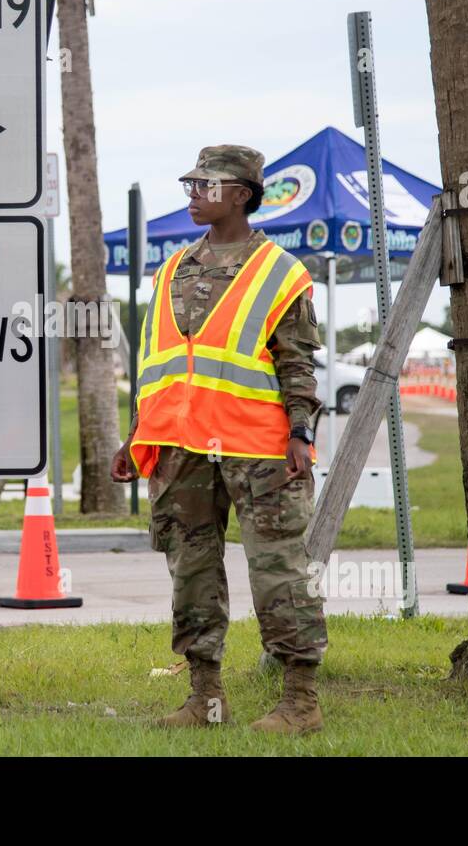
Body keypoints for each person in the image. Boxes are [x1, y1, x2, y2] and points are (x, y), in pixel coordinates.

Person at [111, 144, 328, 734]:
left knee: (279, 570)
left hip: (258, 448)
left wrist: (301, 435)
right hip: (180, 450)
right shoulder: (172, 268)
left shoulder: (281, 273)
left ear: (241, 195)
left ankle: (300, 703)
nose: (193, 194)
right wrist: (137, 437)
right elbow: (159, 361)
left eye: (204, 185)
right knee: (192, 572)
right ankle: (206, 698)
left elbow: (298, 365)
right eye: (189, 183)